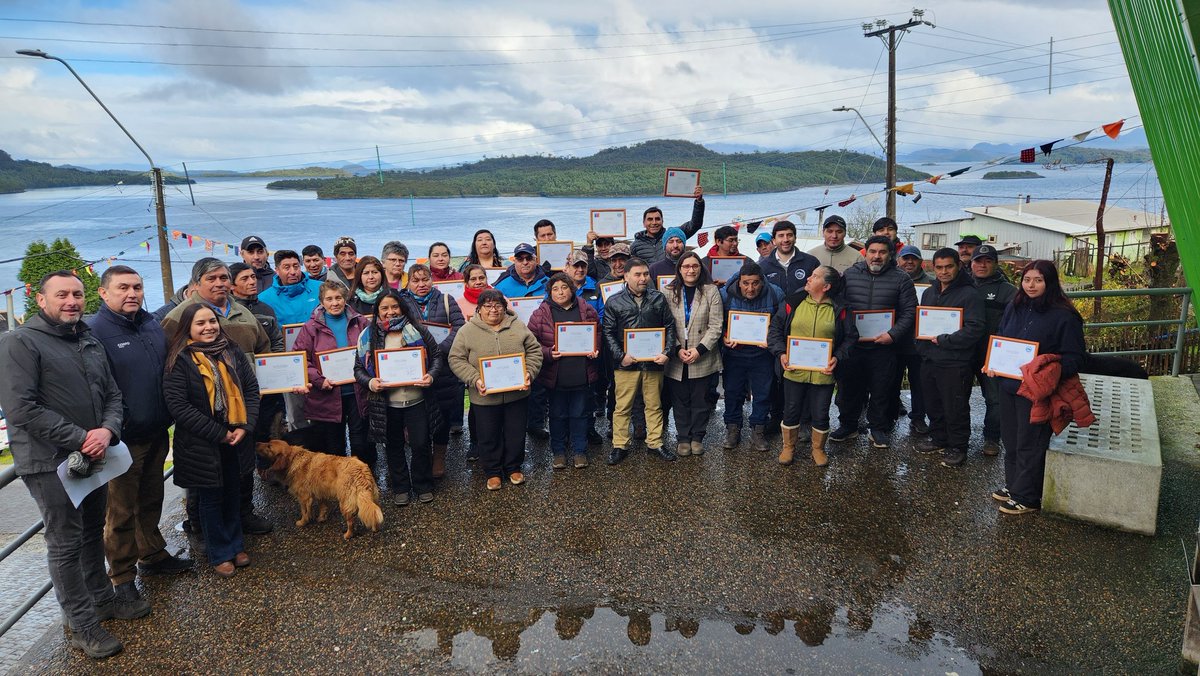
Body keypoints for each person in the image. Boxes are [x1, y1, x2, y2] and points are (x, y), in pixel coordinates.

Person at [0, 272, 135, 658]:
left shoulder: (87, 338)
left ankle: (102, 599)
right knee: (65, 543)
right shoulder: (19, 342)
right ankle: (82, 624)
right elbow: (21, 408)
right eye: (62, 295)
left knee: (93, 529)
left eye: (77, 294)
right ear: (41, 300)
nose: (72, 301)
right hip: (48, 462)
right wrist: (81, 437)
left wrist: (107, 431)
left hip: (95, 454)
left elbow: (112, 393)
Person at [90, 266, 193, 607]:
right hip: (122, 439)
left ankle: (152, 554)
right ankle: (121, 578)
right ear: (104, 293)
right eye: (123, 288)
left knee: (151, 499)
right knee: (120, 512)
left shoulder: (150, 323)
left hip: (156, 429)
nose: (132, 293)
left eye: (136, 286)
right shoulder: (94, 331)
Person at [161, 258, 273, 536]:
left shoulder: (243, 312)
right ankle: (199, 527)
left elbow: (264, 348)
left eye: (224, 277)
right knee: (205, 478)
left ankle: (243, 514)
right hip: (203, 414)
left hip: (243, 408)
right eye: (212, 278)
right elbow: (168, 362)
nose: (220, 283)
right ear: (196, 283)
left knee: (242, 469)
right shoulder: (179, 316)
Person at [162, 304, 260, 578]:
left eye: (212, 321)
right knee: (210, 498)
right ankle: (219, 552)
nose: (208, 327)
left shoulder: (231, 350)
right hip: (201, 442)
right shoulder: (179, 359)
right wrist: (219, 433)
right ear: (188, 329)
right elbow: (178, 407)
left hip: (235, 435)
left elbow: (251, 389)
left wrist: (245, 425)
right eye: (200, 323)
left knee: (233, 493)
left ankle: (236, 544)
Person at [988, 260, 1085, 515]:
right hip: (1009, 384)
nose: (1031, 285)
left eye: (1038, 280)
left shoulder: (1064, 315)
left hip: (1037, 390)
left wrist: (1047, 370)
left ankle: (1028, 496)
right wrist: (993, 362)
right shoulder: (1015, 306)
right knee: (1011, 438)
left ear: (1049, 282)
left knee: (1030, 441)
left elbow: (1075, 358)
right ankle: (1014, 485)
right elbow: (1001, 338)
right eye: (1027, 279)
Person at [448, 290, 543, 490]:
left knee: (515, 432)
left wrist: (529, 373)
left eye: (498, 306)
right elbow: (456, 358)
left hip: (517, 393)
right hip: (484, 396)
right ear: (479, 309)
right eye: (488, 306)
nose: (493, 310)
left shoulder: (518, 326)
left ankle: (513, 467)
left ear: (504, 307)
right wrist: (475, 379)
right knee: (488, 434)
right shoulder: (467, 331)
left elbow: (534, 352)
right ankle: (492, 471)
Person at [354, 290, 440, 504]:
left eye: (394, 307)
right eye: (384, 308)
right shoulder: (368, 335)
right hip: (386, 403)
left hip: (417, 399)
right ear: (378, 311)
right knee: (393, 445)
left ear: (402, 307)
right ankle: (401, 487)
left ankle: (422, 484)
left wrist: (430, 375)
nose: (390, 312)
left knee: (420, 443)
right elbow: (358, 369)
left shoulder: (417, 330)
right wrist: (370, 382)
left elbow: (437, 356)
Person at [832, 235, 918, 448]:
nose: (877, 256)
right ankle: (848, 426)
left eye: (882, 252)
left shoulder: (902, 279)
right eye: (873, 251)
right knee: (849, 388)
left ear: (890, 255)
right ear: (866, 253)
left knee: (882, 389)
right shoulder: (850, 275)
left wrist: (893, 334)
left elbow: (909, 312)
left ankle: (878, 428)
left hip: (884, 345)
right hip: (853, 345)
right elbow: (838, 305)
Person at [768, 266, 858, 467]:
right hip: (794, 371)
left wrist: (838, 357)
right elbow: (774, 329)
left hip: (823, 373)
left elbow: (851, 337)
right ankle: (788, 447)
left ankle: (818, 449)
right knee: (791, 410)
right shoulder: (793, 302)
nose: (808, 278)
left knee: (820, 412)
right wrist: (781, 353)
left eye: (815, 276)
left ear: (826, 286)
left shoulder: (840, 308)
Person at [601, 257, 678, 464]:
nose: (643, 278)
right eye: (638, 274)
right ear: (626, 276)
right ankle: (620, 445)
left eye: (645, 274)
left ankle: (655, 442)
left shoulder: (658, 299)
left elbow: (670, 327)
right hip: (626, 364)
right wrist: (620, 356)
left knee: (654, 405)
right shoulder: (614, 301)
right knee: (622, 406)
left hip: (653, 362)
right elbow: (607, 332)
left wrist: (667, 352)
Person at [914, 248, 986, 467]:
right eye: (939, 267)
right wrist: (921, 345)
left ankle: (958, 446)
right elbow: (921, 320)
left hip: (955, 361)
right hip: (930, 359)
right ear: (932, 268)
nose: (944, 272)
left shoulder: (969, 294)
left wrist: (945, 340)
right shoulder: (929, 292)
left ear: (958, 266)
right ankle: (939, 438)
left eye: (949, 266)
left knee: (955, 406)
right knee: (933, 403)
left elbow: (975, 328)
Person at [526, 273, 601, 469]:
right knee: (557, 415)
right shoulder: (540, 314)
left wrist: (595, 348)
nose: (560, 292)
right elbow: (531, 344)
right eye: (555, 289)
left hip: (581, 373)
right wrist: (548, 353)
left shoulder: (587, 309)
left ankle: (579, 451)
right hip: (555, 375)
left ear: (572, 289)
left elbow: (598, 332)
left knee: (580, 414)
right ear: (550, 292)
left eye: (564, 287)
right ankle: (558, 452)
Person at [292, 282, 372, 464]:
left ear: (345, 299)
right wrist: (319, 380)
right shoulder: (310, 327)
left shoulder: (360, 322)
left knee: (361, 443)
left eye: (338, 298)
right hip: (326, 395)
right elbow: (301, 360)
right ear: (321, 302)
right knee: (334, 447)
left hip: (357, 392)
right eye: (329, 299)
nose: (334, 303)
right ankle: (336, 485)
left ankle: (361, 481)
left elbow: (371, 353)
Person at [406, 263, 466, 477]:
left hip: (443, 368)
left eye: (425, 279)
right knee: (418, 417)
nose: (421, 284)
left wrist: (439, 350)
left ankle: (439, 457)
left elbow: (460, 327)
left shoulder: (446, 301)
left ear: (432, 280)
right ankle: (421, 457)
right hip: (415, 367)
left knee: (443, 415)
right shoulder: (402, 302)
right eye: (416, 280)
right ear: (408, 282)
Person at [663, 252, 724, 457]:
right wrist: (678, 348)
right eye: (686, 266)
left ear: (700, 268)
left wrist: (699, 350)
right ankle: (683, 438)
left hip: (703, 355)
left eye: (695, 266)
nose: (691, 270)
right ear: (679, 269)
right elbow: (666, 325)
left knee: (701, 400)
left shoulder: (711, 291)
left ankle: (697, 437)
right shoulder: (668, 292)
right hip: (677, 356)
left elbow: (716, 326)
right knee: (680, 400)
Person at [720, 260, 784, 451]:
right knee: (732, 392)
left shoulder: (775, 293)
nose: (750, 288)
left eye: (755, 283)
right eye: (746, 283)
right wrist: (724, 336)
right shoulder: (725, 295)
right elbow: (716, 321)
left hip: (762, 353)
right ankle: (733, 429)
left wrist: (771, 340)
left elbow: (782, 324)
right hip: (734, 353)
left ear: (762, 281)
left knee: (763, 394)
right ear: (739, 281)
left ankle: (758, 430)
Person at [972, 244, 1017, 456]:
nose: (982, 265)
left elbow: (1015, 324)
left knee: (995, 399)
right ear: (971, 264)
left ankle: (992, 438)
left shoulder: (1009, 292)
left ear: (995, 264)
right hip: (964, 351)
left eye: (987, 261)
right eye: (978, 261)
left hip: (993, 354)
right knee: (956, 396)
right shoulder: (961, 285)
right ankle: (954, 436)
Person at [893, 245, 932, 434]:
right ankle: (889, 414)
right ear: (898, 260)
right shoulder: (892, 279)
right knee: (891, 381)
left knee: (919, 383)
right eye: (905, 258)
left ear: (920, 261)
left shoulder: (933, 284)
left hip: (920, 342)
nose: (909, 262)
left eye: (913, 259)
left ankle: (918, 417)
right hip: (895, 340)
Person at [630, 185, 705, 263]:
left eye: (657, 219)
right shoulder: (636, 245)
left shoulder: (673, 235)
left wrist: (699, 202)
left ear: (662, 221)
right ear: (644, 223)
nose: (654, 222)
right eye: (650, 219)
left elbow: (695, 224)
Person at [230, 262, 285, 352]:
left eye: (253, 277)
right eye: (245, 279)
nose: (252, 282)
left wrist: (274, 361)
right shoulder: (226, 309)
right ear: (231, 285)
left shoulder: (266, 309)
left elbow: (277, 342)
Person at [258, 249, 322, 326]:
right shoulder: (264, 299)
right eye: (287, 268)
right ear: (277, 270)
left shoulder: (321, 288)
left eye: (296, 267)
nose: (293, 272)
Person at [758, 220, 819, 296]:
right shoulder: (763, 266)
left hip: (803, 307)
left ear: (795, 238)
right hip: (774, 308)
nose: (785, 240)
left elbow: (819, 291)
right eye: (781, 236)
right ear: (774, 241)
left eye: (789, 235)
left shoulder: (811, 262)